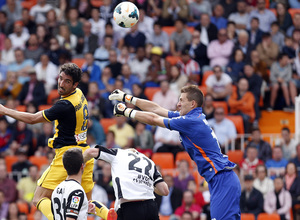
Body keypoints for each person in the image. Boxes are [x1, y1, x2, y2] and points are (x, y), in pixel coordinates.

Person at [0, 63, 115, 220]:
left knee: (38, 198)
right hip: (85, 153)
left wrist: (5, 110)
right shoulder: (79, 94)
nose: (61, 83)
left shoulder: (65, 105)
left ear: (75, 84)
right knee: (87, 203)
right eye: (60, 78)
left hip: (67, 156)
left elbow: (33, 119)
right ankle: (108, 214)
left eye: (67, 81)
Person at [108, 85, 241, 219]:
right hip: (221, 179)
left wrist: (126, 112)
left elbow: (154, 119)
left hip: (221, 179)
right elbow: (156, 109)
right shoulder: (193, 117)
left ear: (192, 104)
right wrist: (127, 98)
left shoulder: (190, 121)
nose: (178, 104)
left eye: (182, 100)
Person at [83, 146, 169, 220]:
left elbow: (91, 151)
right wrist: (147, 184)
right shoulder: (149, 161)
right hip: (151, 207)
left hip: (130, 206)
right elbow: (164, 191)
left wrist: (79, 164)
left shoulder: (119, 153)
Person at [51, 148, 99, 220]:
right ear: (82, 166)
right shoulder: (77, 192)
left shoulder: (57, 189)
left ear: (64, 167)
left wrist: (84, 207)